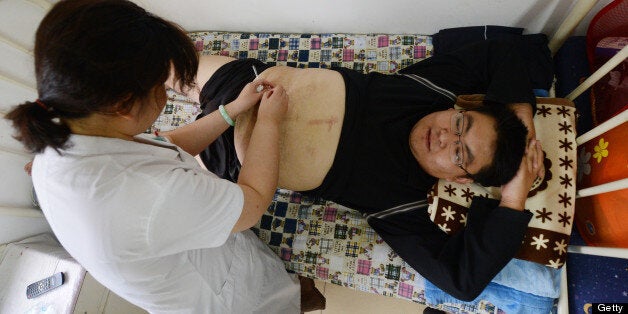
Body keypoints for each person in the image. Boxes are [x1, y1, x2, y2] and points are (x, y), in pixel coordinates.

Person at [5, 0, 325, 313]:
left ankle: (299, 295)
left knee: (284, 288)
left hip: (192, 252)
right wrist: (269, 122)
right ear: (123, 106)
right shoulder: (147, 196)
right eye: (161, 85)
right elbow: (252, 203)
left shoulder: (69, 131)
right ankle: (301, 300)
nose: (168, 91)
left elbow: (160, 147)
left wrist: (230, 112)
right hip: (228, 301)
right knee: (278, 300)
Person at [188, 39, 545, 301]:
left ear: (461, 179)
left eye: (459, 152)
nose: (443, 136)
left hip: (233, 154)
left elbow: (463, 281)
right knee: (155, 65)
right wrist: (522, 122)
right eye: (459, 122)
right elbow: (503, 51)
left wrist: (513, 198)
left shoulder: (401, 203)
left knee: (156, 160)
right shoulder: (436, 88)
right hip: (248, 84)